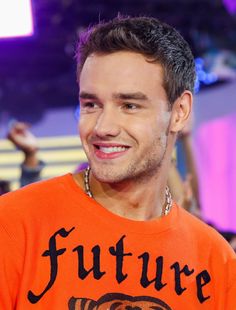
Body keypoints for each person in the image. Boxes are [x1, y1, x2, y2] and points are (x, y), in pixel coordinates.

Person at [0, 16, 235, 310]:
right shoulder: (12, 225)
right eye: (91, 104)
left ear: (179, 112)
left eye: (129, 105)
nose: (103, 126)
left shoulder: (216, 261)